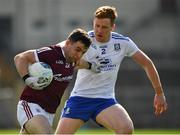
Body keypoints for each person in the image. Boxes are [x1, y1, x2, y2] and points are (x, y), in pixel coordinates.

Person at [55, 6, 168, 134]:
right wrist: (85, 64)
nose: (99, 30)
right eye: (96, 25)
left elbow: (147, 64)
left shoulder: (122, 43)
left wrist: (159, 93)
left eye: (104, 27)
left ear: (112, 27)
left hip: (105, 100)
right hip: (80, 98)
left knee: (126, 129)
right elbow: (60, 53)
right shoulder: (85, 40)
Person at [14, 28, 92, 134]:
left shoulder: (73, 60)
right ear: (68, 43)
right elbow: (20, 58)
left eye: (83, 52)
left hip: (49, 113)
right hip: (31, 105)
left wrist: (92, 66)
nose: (79, 55)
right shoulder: (51, 53)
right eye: (77, 49)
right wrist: (27, 78)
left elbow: (83, 63)